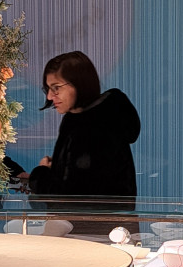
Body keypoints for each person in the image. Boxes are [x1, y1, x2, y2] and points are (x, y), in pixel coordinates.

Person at [26, 50, 140, 199]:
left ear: (79, 84)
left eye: (56, 88)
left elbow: (68, 197)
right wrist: (59, 167)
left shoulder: (90, 130)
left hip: (94, 215)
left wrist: (40, 173)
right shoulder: (97, 116)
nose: (49, 96)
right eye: (48, 88)